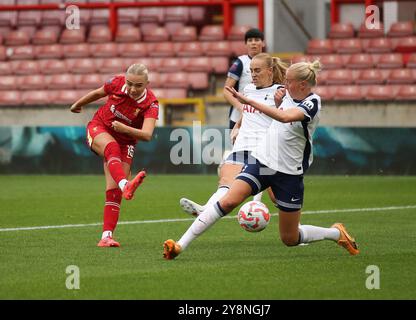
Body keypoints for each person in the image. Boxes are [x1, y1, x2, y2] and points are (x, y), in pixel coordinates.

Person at [163, 60, 360, 259]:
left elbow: (285, 118)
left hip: (288, 173)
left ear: (303, 85)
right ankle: (179, 245)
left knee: (290, 238)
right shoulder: (284, 94)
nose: (284, 83)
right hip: (262, 161)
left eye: (289, 80)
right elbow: (278, 117)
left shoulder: (313, 103)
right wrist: (267, 108)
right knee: (229, 200)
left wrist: (252, 103)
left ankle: (335, 233)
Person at [179, 53, 288, 217]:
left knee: (278, 198)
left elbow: (286, 120)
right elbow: (247, 113)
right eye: (251, 71)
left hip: (267, 151)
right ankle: (205, 208)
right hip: (243, 146)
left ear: (270, 71)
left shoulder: (279, 93)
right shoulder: (248, 89)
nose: (253, 74)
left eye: (257, 70)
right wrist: (237, 126)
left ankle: (296, 230)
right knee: (226, 181)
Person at [70, 63, 159, 247]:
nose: (133, 89)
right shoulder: (116, 83)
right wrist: (78, 104)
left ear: (147, 83)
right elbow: (98, 93)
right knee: (111, 147)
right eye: (130, 83)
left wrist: (125, 128)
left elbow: (147, 135)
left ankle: (106, 237)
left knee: (114, 192)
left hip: (126, 141)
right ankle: (126, 183)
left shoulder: (151, 104)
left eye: (138, 85)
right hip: (99, 127)